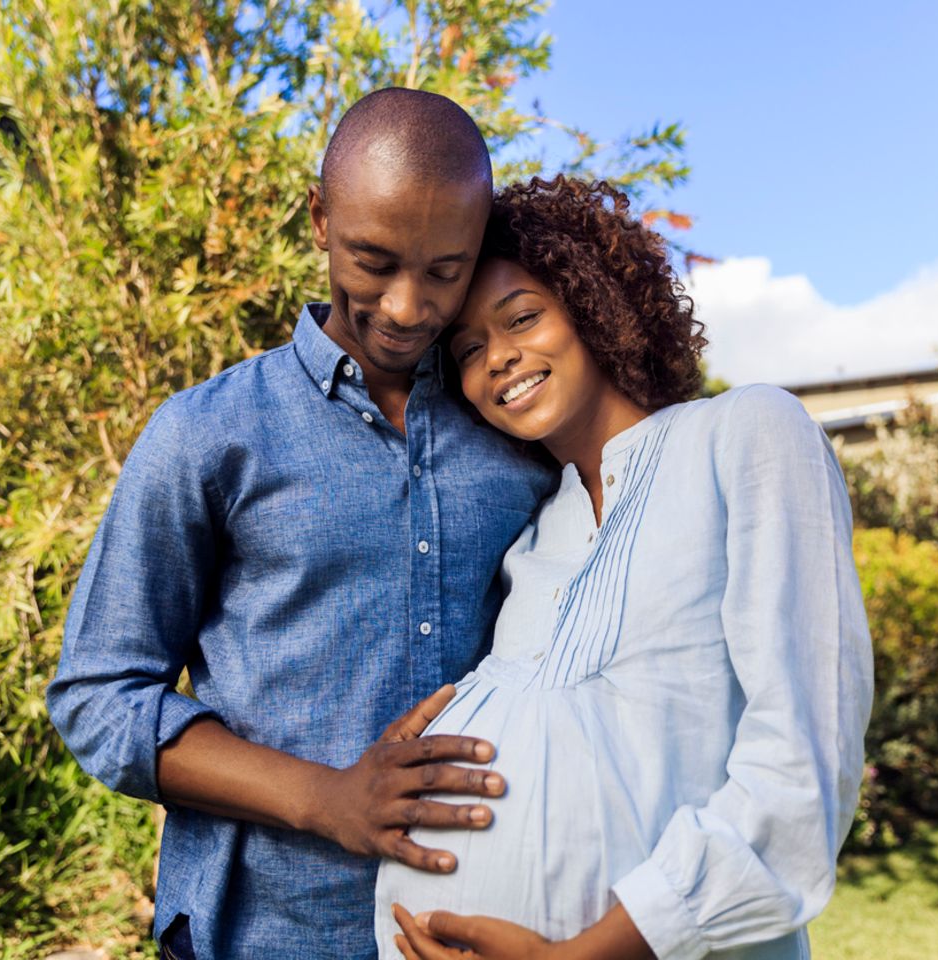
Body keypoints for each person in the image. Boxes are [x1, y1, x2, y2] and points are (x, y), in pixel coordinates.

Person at [46, 89, 557, 958]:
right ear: (320, 218)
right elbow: (99, 699)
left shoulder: (517, 434)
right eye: (373, 260)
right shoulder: (208, 434)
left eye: (445, 269)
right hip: (258, 936)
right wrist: (325, 797)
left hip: (473, 929)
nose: (405, 307)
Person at [377, 176, 874, 959]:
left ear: (595, 305)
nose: (499, 358)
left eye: (523, 318)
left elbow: (801, 764)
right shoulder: (535, 536)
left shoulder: (743, 435)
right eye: (468, 350)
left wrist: (589, 952)